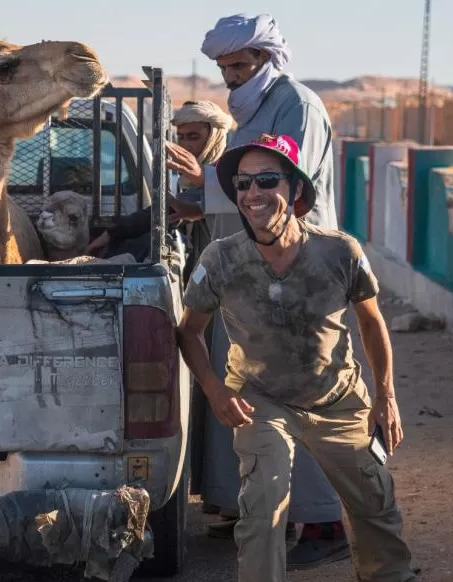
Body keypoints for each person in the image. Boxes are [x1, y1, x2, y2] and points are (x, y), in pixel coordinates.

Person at [177, 132, 417, 582]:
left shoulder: (339, 251)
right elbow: (189, 332)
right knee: (262, 509)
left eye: (267, 180)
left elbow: (371, 322)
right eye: (243, 183)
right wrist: (215, 390)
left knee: (374, 504)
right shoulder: (221, 259)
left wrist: (386, 396)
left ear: (296, 188)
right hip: (261, 401)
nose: (253, 193)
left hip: (338, 399)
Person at [167, 13, 348, 569]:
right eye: (224, 68)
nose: (231, 77)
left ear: (266, 58)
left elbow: (281, 183)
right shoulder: (254, 110)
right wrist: (197, 205)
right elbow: (243, 192)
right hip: (257, 268)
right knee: (254, 391)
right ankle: (254, 509)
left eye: (240, 65)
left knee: (303, 394)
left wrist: (203, 181)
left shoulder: (297, 105)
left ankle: (326, 523)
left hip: (301, 269)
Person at [84, 100, 232, 260]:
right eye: (181, 137)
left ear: (214, 137)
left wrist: (112, 233)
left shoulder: (227, 174)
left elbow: (172, 209)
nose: (185, 145)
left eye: (193, 137)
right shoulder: (194, 179)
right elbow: (170, 211)